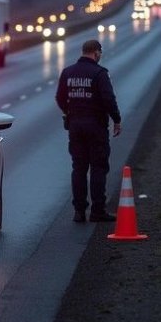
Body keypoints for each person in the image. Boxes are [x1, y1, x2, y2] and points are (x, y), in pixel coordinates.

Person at [55, 39, 122, 223]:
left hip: (75, 126)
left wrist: (69, 112)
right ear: (96, 52)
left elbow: (60, 98)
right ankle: (98, 210)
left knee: (79, 168)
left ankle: (79, 211)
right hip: (96, 126)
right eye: (100, 53)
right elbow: (108, 99)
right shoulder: (100, 73)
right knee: (98, 167)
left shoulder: (68, 72)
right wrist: (116, 119)